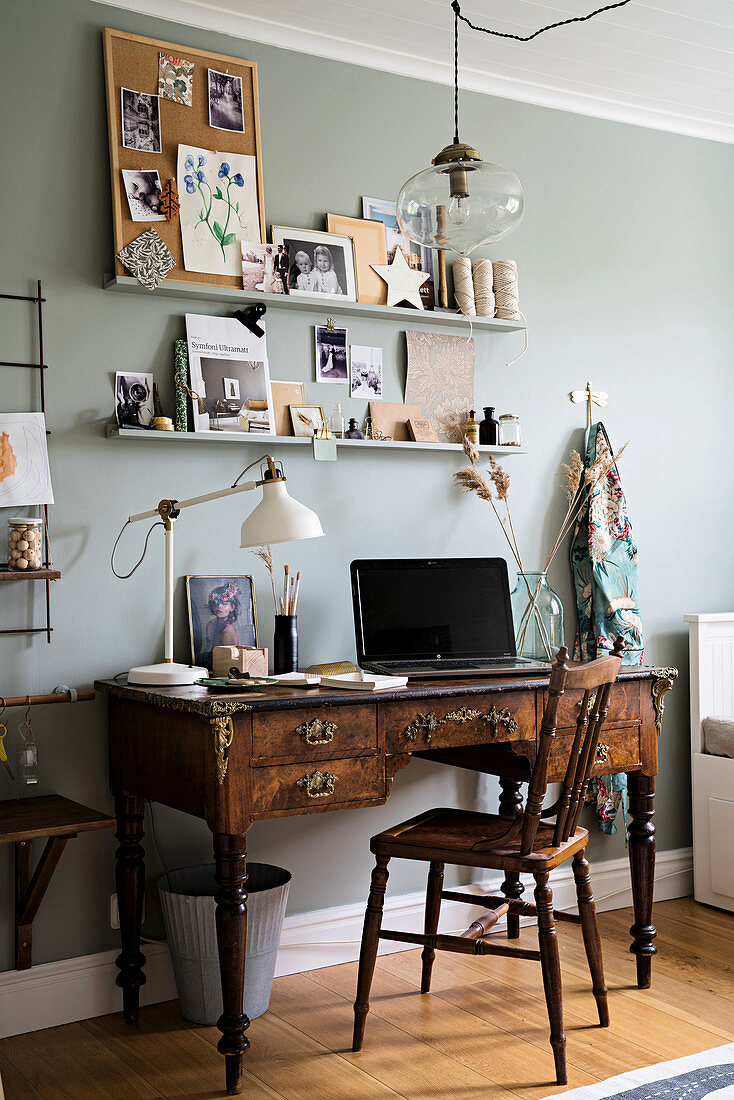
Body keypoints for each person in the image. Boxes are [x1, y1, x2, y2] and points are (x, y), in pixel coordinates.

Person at [202, 582, 241, 670]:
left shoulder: (227, 631)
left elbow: (229, 662)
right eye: (216, 603)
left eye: (225, 604)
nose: (219, 606)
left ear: (232, 608)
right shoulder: (211, 624)